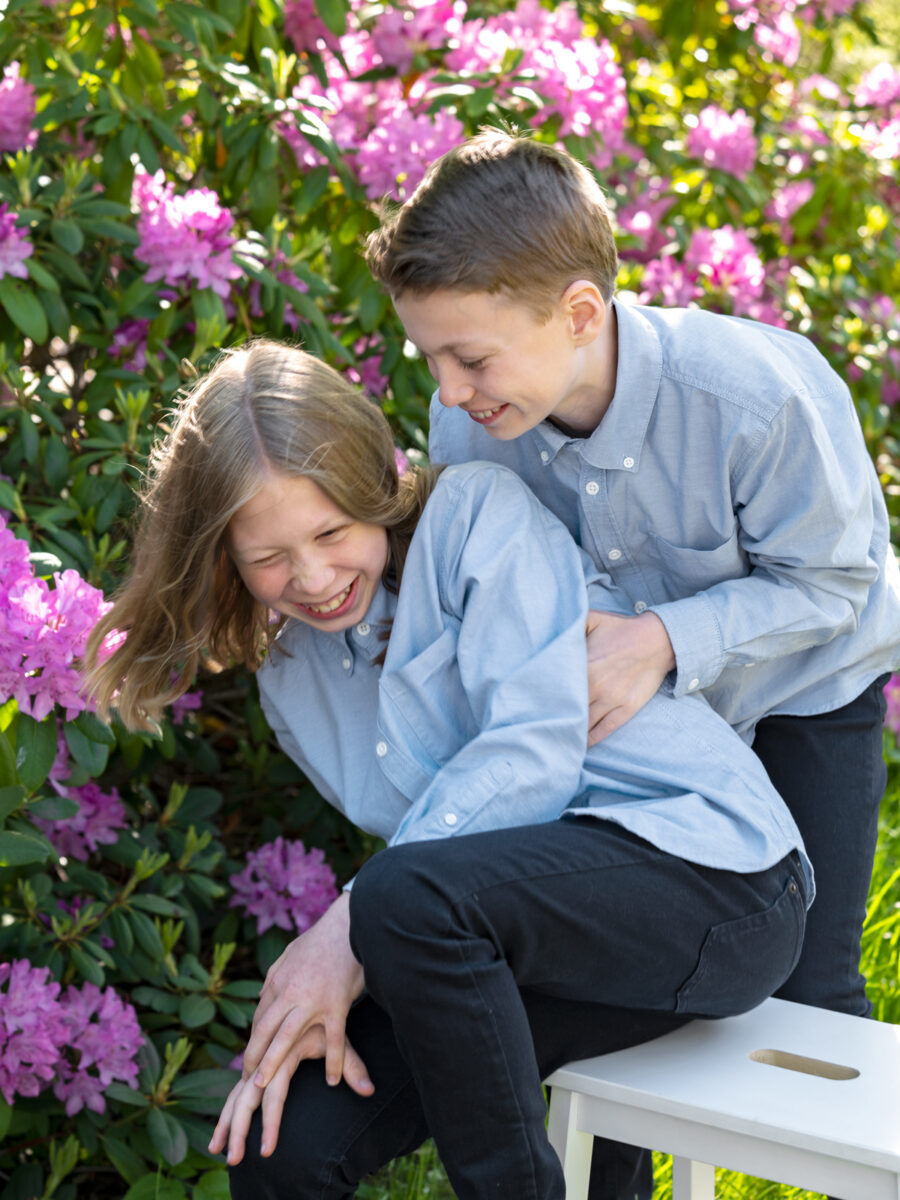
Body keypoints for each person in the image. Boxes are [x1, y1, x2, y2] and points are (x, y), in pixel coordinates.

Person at [85, 340, 812, 1200]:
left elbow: (533, 756)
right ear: (224, 560)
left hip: (716, 887)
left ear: (374, 494)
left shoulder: (475, 518)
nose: (314, 579)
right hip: (521, 936)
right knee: (283, 1143)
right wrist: (367, 934)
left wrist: (345, 924)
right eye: (270, 558)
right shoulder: (291, 673)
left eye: (332, 532)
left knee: (403, 899)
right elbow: (449, 861)